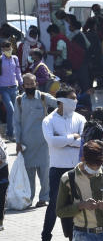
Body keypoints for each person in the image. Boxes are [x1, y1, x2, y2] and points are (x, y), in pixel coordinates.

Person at [14, 74, 58, 207]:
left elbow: (60, 105)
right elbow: (16, 122)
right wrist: (17, 142)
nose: (29, 86)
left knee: (44, 173)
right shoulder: (19, 100)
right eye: (26, 84)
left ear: (36, 84)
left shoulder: (44, 97)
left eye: (31, 84)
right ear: (23, 86)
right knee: (29, 174)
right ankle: (29, 198)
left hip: (44, 143)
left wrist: (53, 121)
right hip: (26, 144)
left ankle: (43, 198)